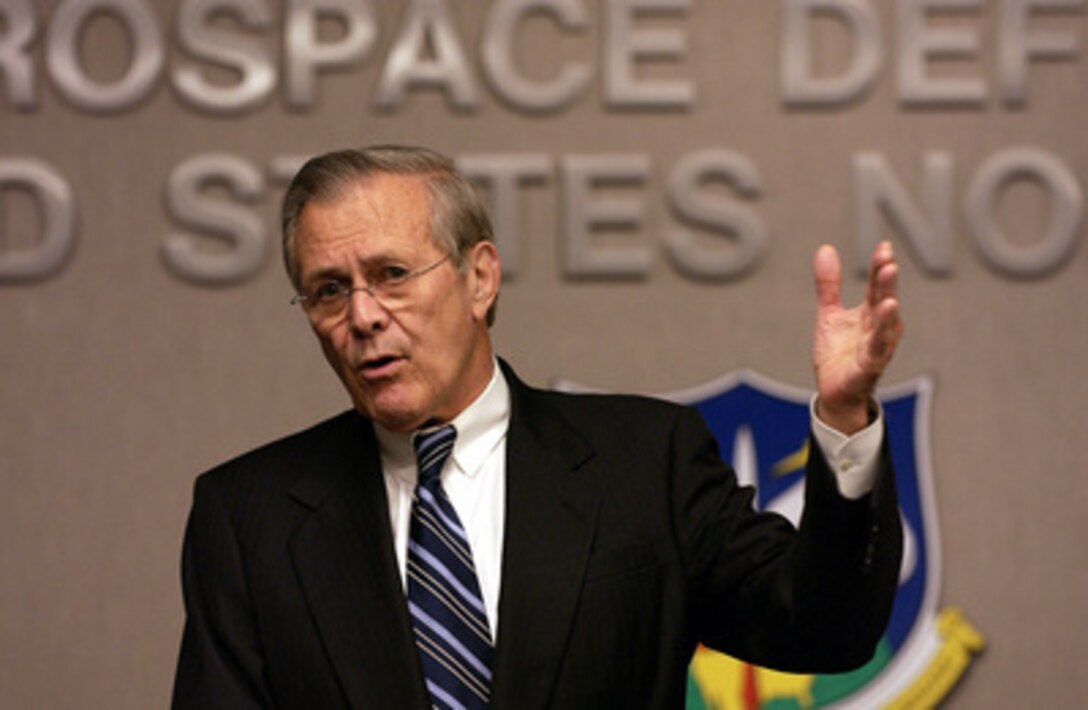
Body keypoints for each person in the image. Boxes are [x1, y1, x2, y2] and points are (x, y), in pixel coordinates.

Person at [172, 145, 904, 709]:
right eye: (328, 291)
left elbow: (827, 629)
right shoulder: (248, 517)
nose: (362, 316)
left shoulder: (645, 463)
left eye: (392, 274)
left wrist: (843, 419)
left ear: (479, 278)